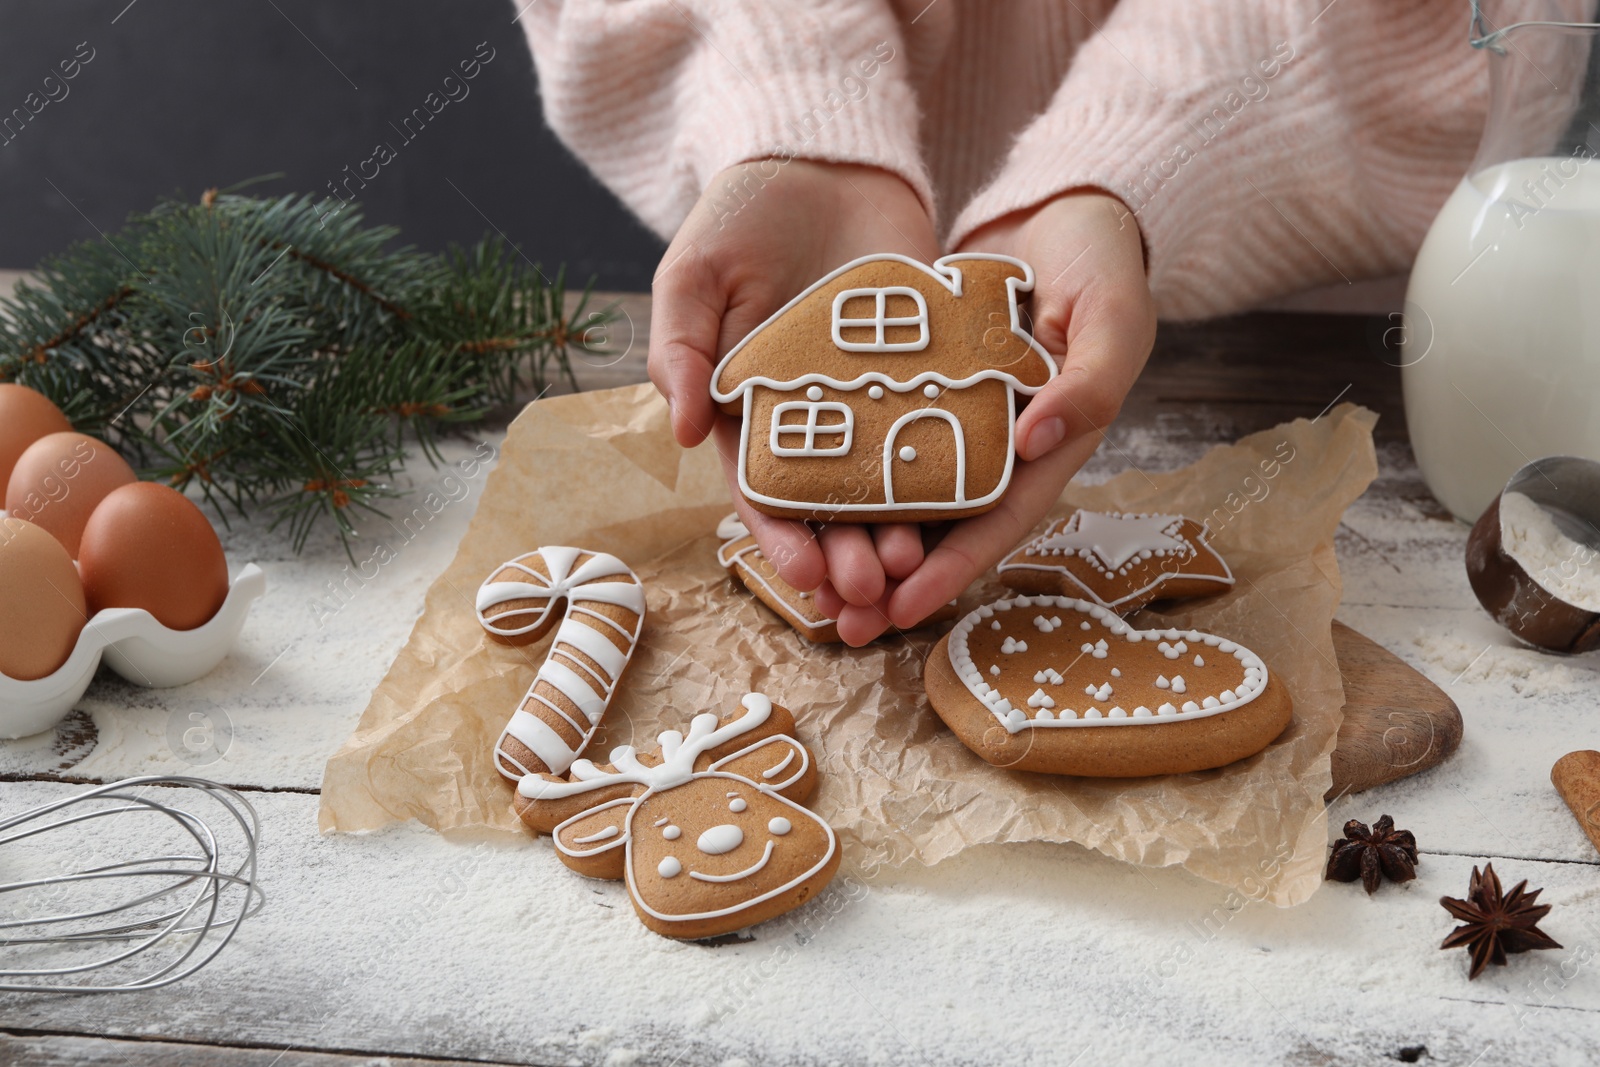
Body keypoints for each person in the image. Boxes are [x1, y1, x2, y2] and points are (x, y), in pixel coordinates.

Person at [519, 0, 1485, 644]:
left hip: (1290, 308)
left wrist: (1140, 147)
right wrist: (790, 96)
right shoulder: (810, 346)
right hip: (804, 231)